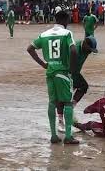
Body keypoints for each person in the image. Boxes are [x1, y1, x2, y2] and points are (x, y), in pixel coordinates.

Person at [26, 11, 79, 145]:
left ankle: (54, 135)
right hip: (63, 71)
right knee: (67, 102)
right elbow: (73, 50)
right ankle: (68, 136)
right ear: (66, 20)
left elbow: (30, 48)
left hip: (50, 72)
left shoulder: (44, 34)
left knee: (52, 102)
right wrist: (72, 69)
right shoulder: (67, 33)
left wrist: (43, 63)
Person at [56, 36, 98, 132]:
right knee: (62, 97)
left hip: (75, 73)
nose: (90, 52)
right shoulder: (74, 49)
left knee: (83, 86)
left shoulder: (86, 50)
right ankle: (60, 121)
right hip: (64, 72)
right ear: (84, 44)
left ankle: (71, 107)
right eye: (90, 49)